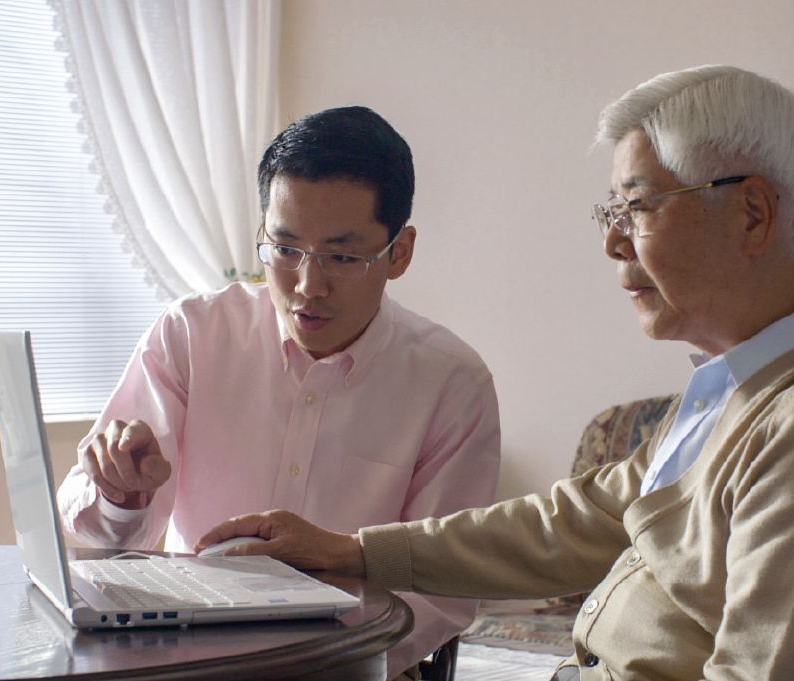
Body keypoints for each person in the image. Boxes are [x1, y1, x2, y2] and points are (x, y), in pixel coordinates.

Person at [196, 66, 794, 681]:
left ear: (752, 214)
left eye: (640, 206)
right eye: (610, 212)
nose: (614, 242)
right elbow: (579, 519)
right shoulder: (744, 388)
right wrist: (352, 550)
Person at [56, 106, 501, 679]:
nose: (307, 287)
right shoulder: (192, 333)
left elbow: (443, 589)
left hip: (352, 660)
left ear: (400, 252)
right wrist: (122, 497)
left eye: (342, 256)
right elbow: (98, 545)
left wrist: (323, 662)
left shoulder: (451, 383)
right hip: (189, 651)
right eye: (285, 249)